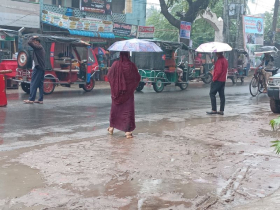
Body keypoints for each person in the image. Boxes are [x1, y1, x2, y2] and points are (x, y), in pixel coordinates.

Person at [107, 52, 141, 138]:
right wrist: (130, 87)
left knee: (115, 111)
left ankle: (111, 128)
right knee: (127, 111)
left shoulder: (115, 64)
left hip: (116, 93)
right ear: (128, 56)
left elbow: (109, 76)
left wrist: (115, 86)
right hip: (128, 94)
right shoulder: (132, 66)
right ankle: (128, 132)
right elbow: (137, 78)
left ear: (120, 56)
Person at [23, 36, 45, 104]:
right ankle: (40, 99)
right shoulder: (41, 48)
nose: (33, 42)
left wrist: (32, 37)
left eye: (34, 41)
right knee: (40, 84)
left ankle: (31, 99)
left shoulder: (38, 47)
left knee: (33, 83)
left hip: (38, 68)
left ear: (37, 42)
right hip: (41, 68)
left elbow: (29, 42)